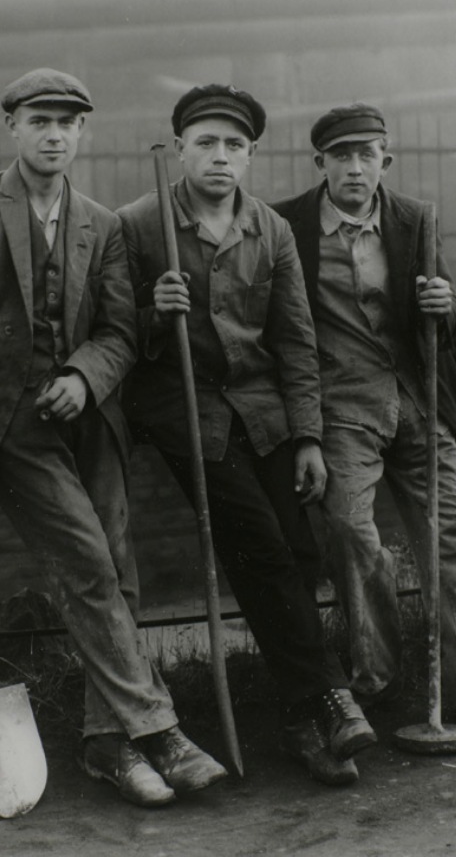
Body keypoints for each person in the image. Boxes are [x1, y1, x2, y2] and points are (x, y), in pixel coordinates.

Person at [0, 68, 228, 808]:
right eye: (40, 121)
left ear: (82, 133)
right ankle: (159, 731)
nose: (55, 135)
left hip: (87, 415)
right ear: (13, 129)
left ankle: (104, 745)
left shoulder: (101, 224)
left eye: (68, 123)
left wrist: (85, 377)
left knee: (118, 570)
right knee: (87, 561)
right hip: (7, 419)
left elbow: (118, 331)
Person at [118, 84, 377, 788]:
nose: (220, 157)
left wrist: (308, 439)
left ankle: (300, 722)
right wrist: (150, 312)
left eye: (234, 145)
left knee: (297, 549)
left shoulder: (270, 230)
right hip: (185, 410)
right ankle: (329, 695)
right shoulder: (138, 224)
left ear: (251, 154)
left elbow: (294, 342)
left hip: (261, 409)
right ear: (181, 149)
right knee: (259, 543)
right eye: (205, 142)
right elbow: (106, 332)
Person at [273, 102, 456, 749]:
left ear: (384, 161)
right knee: (346, 531)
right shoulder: (287, 227)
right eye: (341, 156)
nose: (354, 168)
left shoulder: (413, 219)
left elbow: (446, 310)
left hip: (414, 400)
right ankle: (376, 682)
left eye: (366, 155)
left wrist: (445, 304)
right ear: (320, 163)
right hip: (339, 407)